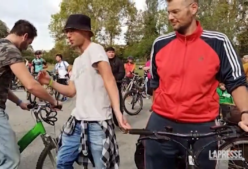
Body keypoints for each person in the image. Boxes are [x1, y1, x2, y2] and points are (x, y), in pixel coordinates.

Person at [146, 0, 248, 169]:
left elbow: (236, 82)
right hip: (162, 125)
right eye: (168, 12)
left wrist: (245, 112)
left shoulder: (218, 42)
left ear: (193, 8)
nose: (170, 17)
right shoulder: (160, 43)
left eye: (176, 12)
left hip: (203, 127)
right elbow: (155, 83)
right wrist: (156, 116)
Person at [37, 14, 130, 169]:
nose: (68, 35)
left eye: (72, 30)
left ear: (86, 32)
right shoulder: (78, 61)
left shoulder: (95, 49)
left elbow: (109, 80)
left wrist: (118, 112)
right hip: (77, 122)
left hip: (97, 123)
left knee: (102, 166)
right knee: (62, 162)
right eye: (67, 31)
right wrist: (50, 82)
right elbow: (71, 90)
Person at [0, 20, 59, 169]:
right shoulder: (10, 50)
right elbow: (30, 85)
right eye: (29, 43)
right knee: (9, 160)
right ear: (24, 36)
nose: (27, 46)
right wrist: (53, 100)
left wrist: (19, 102)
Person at [106, 46, 125, 127]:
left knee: (117, 104)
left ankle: (119, 122)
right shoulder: (103, 62)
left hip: (116, 85)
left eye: (112, 52)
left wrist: (113, 79)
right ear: (106, 53)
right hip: (104, 86)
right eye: (109, 52)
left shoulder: (119, 61)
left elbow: (122, 73)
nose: (111, 54)